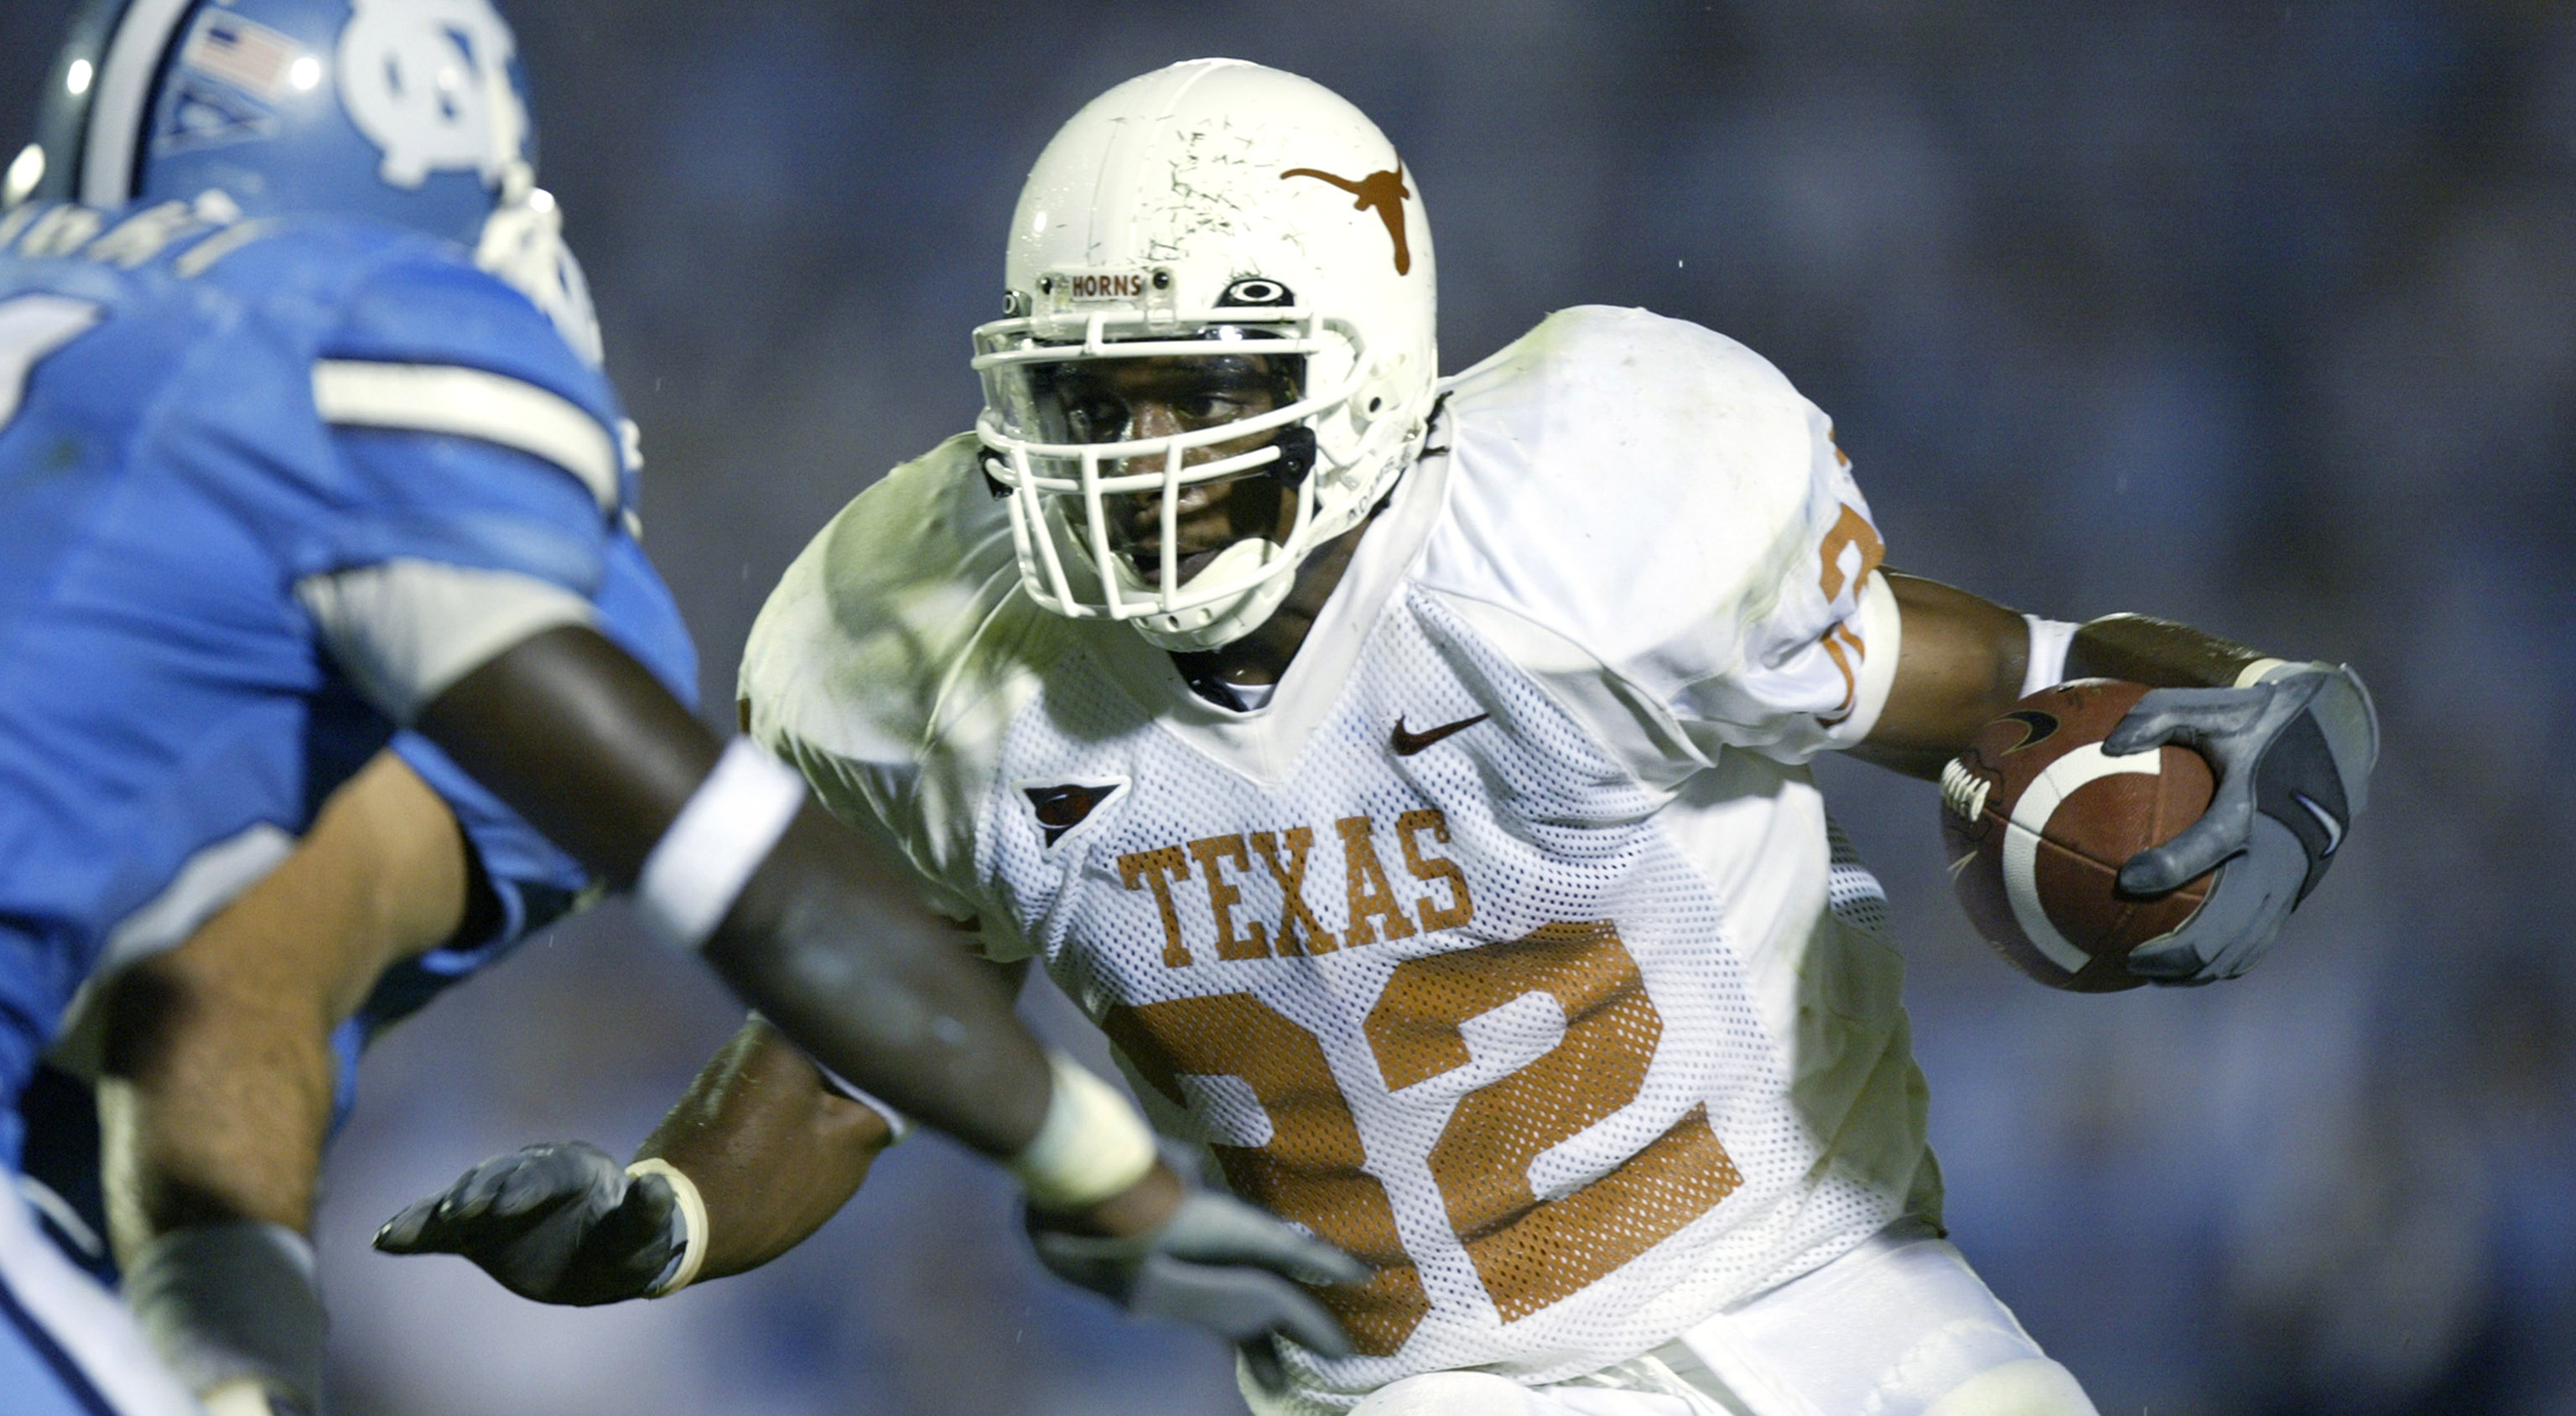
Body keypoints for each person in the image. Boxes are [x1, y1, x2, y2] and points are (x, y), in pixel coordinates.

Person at [377, 59, 2379, 1416]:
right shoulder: (923, 657)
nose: (1136, 460)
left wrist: (2272, 732)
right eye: (1090, 400)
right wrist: (675, 1209)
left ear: (1356, 373)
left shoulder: (1583, 520)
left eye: (1192, 388)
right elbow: (838, 1049)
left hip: (1827, 1292)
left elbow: (2024, 673)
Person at [0, 12, 1353, 1416]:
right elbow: (740, 873)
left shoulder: (85, 373)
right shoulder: (363, 339)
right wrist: (1100, 1167)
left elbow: (222, 999)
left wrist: (235, 1384)